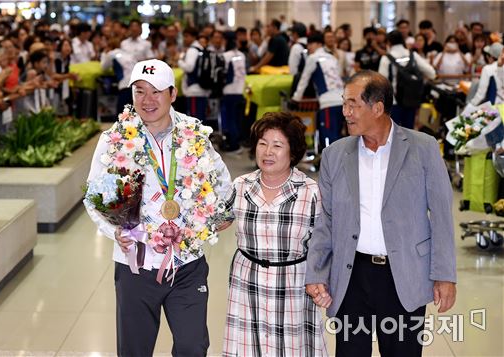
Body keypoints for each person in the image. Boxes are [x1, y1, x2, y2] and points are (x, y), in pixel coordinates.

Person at [85, 59, 232, 357]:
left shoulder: (196, 135)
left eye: (156, 92)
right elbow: (94, 197)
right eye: (139, 92)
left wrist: (219, 216)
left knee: (192, 347)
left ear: (173, 94)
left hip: (187, 262)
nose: (147, 100)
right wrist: (115, 232)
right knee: (134, 350)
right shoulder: (114, 141)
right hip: (135, 264)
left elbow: (223, 184)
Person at [305, 70, 457, 357]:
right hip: (351, 276)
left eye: (353, 104)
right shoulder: (335, 155)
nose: (345, 112)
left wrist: (445, 275)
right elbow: (326, 219)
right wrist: (316, 271)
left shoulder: (423, 148)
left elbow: (441, 216)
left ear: (377, 108)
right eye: (344, 104)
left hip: (404, 274)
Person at [222, 112, 328, 356]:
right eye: (262, 143)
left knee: (292, 349)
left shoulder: (310, 191)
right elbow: (214, 221)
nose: (268, 152)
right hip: (246, 284)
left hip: (293, 286)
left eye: (277, 145)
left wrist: (323, 281)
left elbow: (324, 244)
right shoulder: (240, 186)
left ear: (292, 152)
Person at [293, 32, 345, 148]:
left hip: (328, 102)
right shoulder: (332, 58)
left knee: (328, 137)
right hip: (343, 100)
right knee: (339, 135)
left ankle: (331, 164)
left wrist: (296, 98)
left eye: (310, 45)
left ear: (317, 44)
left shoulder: (313, 58)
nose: (308, 48)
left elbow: (304, 80)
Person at [378, 30, 436, 129]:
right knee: (408, 132)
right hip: (411, 99)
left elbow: (380, 83)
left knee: (393, 133)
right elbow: (432, 73)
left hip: (394, 101)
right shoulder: (412, 55)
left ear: (389, 42)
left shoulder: (386, 59)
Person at [178, 26, 210, 122]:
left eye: (187, 36)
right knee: (201, 118)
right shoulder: (201, 49)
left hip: (194, 89)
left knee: (194, 120)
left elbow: (189, 68)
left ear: (193, 37)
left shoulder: (192, 50)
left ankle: (197, 137)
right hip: (202, 87)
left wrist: (179, 61)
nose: (185, 39)